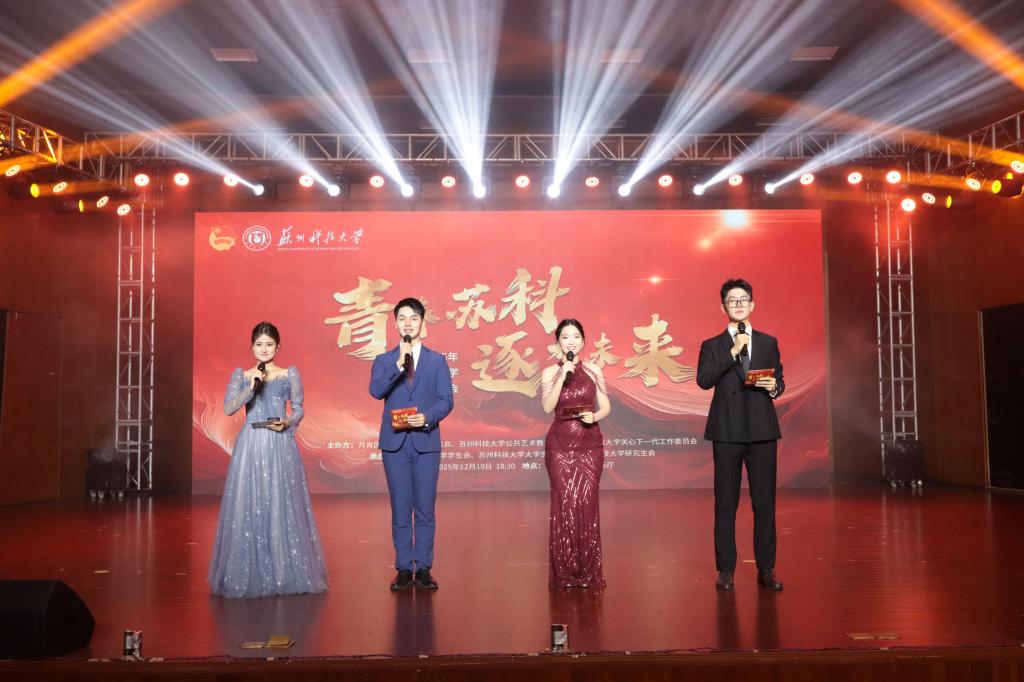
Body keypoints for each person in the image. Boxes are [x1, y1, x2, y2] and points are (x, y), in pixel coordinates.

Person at [208, 321, 328, 598]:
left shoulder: (288, 374)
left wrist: (288, 422)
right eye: (259, 344)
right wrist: (250, 388)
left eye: (269, 344)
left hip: (279, 443)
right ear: (252, 347)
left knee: (280, 503)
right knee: (250, 503)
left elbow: (299, 409)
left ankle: (283, 572)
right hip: (250, 444)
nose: (264, 349)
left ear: (278, 346)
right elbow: (229, 408)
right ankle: (249, 571)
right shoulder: (242, 376)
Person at [696, 279, 785, 592]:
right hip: (727, 430)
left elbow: (778, 379)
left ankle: (766, 569)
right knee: (725, 504)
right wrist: (732, 351)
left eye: (743, 299)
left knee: (765, 504)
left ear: (752, 305)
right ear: (723, 307)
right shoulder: (712, 345)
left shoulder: (768, 342)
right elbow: (704, 380)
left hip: (761, 429)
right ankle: (726, 570)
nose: (738, 304)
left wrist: (774, 387)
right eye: (732, 300)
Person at [369, 298, 454, 591]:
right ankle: (404, 567)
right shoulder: (384, 361)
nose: (408, 323)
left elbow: (446, 400)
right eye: (402, 318)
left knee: (425, 508)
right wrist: (398, 364)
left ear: (422, 323)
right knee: (401, 507)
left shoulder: (437, 361)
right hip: (394, 444)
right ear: (395, 324)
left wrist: (427, 418)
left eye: (413, 318)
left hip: (426, 441)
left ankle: (424, 567)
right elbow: (376, 390)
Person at [539, 319, 611, 588]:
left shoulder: (594, 370)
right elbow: (547, 407)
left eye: (576, 336)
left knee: (587, 504)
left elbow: (606, 406)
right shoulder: (550, 372)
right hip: (559, 445)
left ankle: (588, 572)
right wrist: (562, 375)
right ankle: (565, 573)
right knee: (564, 504)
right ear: (558, 342)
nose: (571, 341)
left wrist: (595, 416)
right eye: (565, 337)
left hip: (589, 444)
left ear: (583, 341)